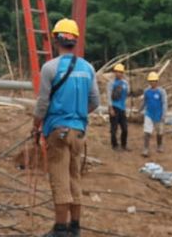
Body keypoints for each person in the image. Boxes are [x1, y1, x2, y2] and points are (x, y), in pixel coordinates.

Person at [33, 19, 100, 237]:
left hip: (57, 130)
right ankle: (75, 227)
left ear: (56, 40)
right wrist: (78, 116)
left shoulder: (50, 68)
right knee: (74, 177)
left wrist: (36, 125)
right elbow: (95, 102)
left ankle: (61, 229)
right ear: (75, 41)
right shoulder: (88, 68)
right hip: (79, 131)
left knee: (59, 179)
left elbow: (43, 103)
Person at [141, 71, 167, 157]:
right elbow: (144, 102)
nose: (152, 83)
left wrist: (163, 114)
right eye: (151, 81)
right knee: (147, 132)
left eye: (154, 81)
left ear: (157, 81)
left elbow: (164, 103)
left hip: (159, 115)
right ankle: (145, 148)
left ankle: (159, 145)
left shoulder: (161, 92)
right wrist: (139, 110)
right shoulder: (146, 91)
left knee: (159, 131)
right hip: (149, 114)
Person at [109, 63, 129, 150]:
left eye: (120, 72)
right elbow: (109, 96)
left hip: (122, 108)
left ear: (122, 73)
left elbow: (127, 94)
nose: (118, 73)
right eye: (116, 72)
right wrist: (110, 108)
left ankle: (124, 144)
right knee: (114, 128)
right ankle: (114, 145)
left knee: (125, 129)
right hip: (114, 107)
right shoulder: (111, 83)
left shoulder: (125, 83)